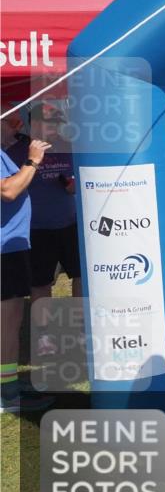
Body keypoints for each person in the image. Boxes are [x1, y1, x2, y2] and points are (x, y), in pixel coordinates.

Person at [0, 115, 53, 413]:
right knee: (7, 322)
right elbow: (8, 191)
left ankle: (8, 384)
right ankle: (7, 395)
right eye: (9, 119)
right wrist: (32, 162)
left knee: (11, 319)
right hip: (5, 248)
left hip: (13, 245)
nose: (16, 125)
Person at [7, 105, 83, 309]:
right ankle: (44, 332)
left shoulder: (69, 147)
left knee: (81, 275)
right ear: (35, 125)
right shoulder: (17, 152)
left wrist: (75, 185)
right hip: (35, 228)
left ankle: (82, 323)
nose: (54, 129)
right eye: (49, 124)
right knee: (40, 282)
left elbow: (79, 178)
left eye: (57, 124)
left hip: (70, 224)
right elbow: (10, 187)